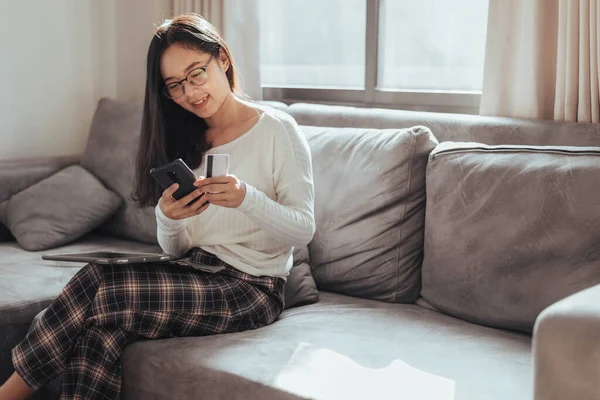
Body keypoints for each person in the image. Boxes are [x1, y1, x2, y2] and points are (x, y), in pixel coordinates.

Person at [0, 13, 314, 400]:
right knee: (99, 330)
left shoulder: (277, 130)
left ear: (223, 60)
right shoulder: (186, 139)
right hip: (193, 270)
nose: (190, 92)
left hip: (251, 289)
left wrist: (248, 199)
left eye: (196, 73)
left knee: (99, 279)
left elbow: (303, 229)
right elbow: (175, 251)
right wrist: (168, 218)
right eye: (175, 86)